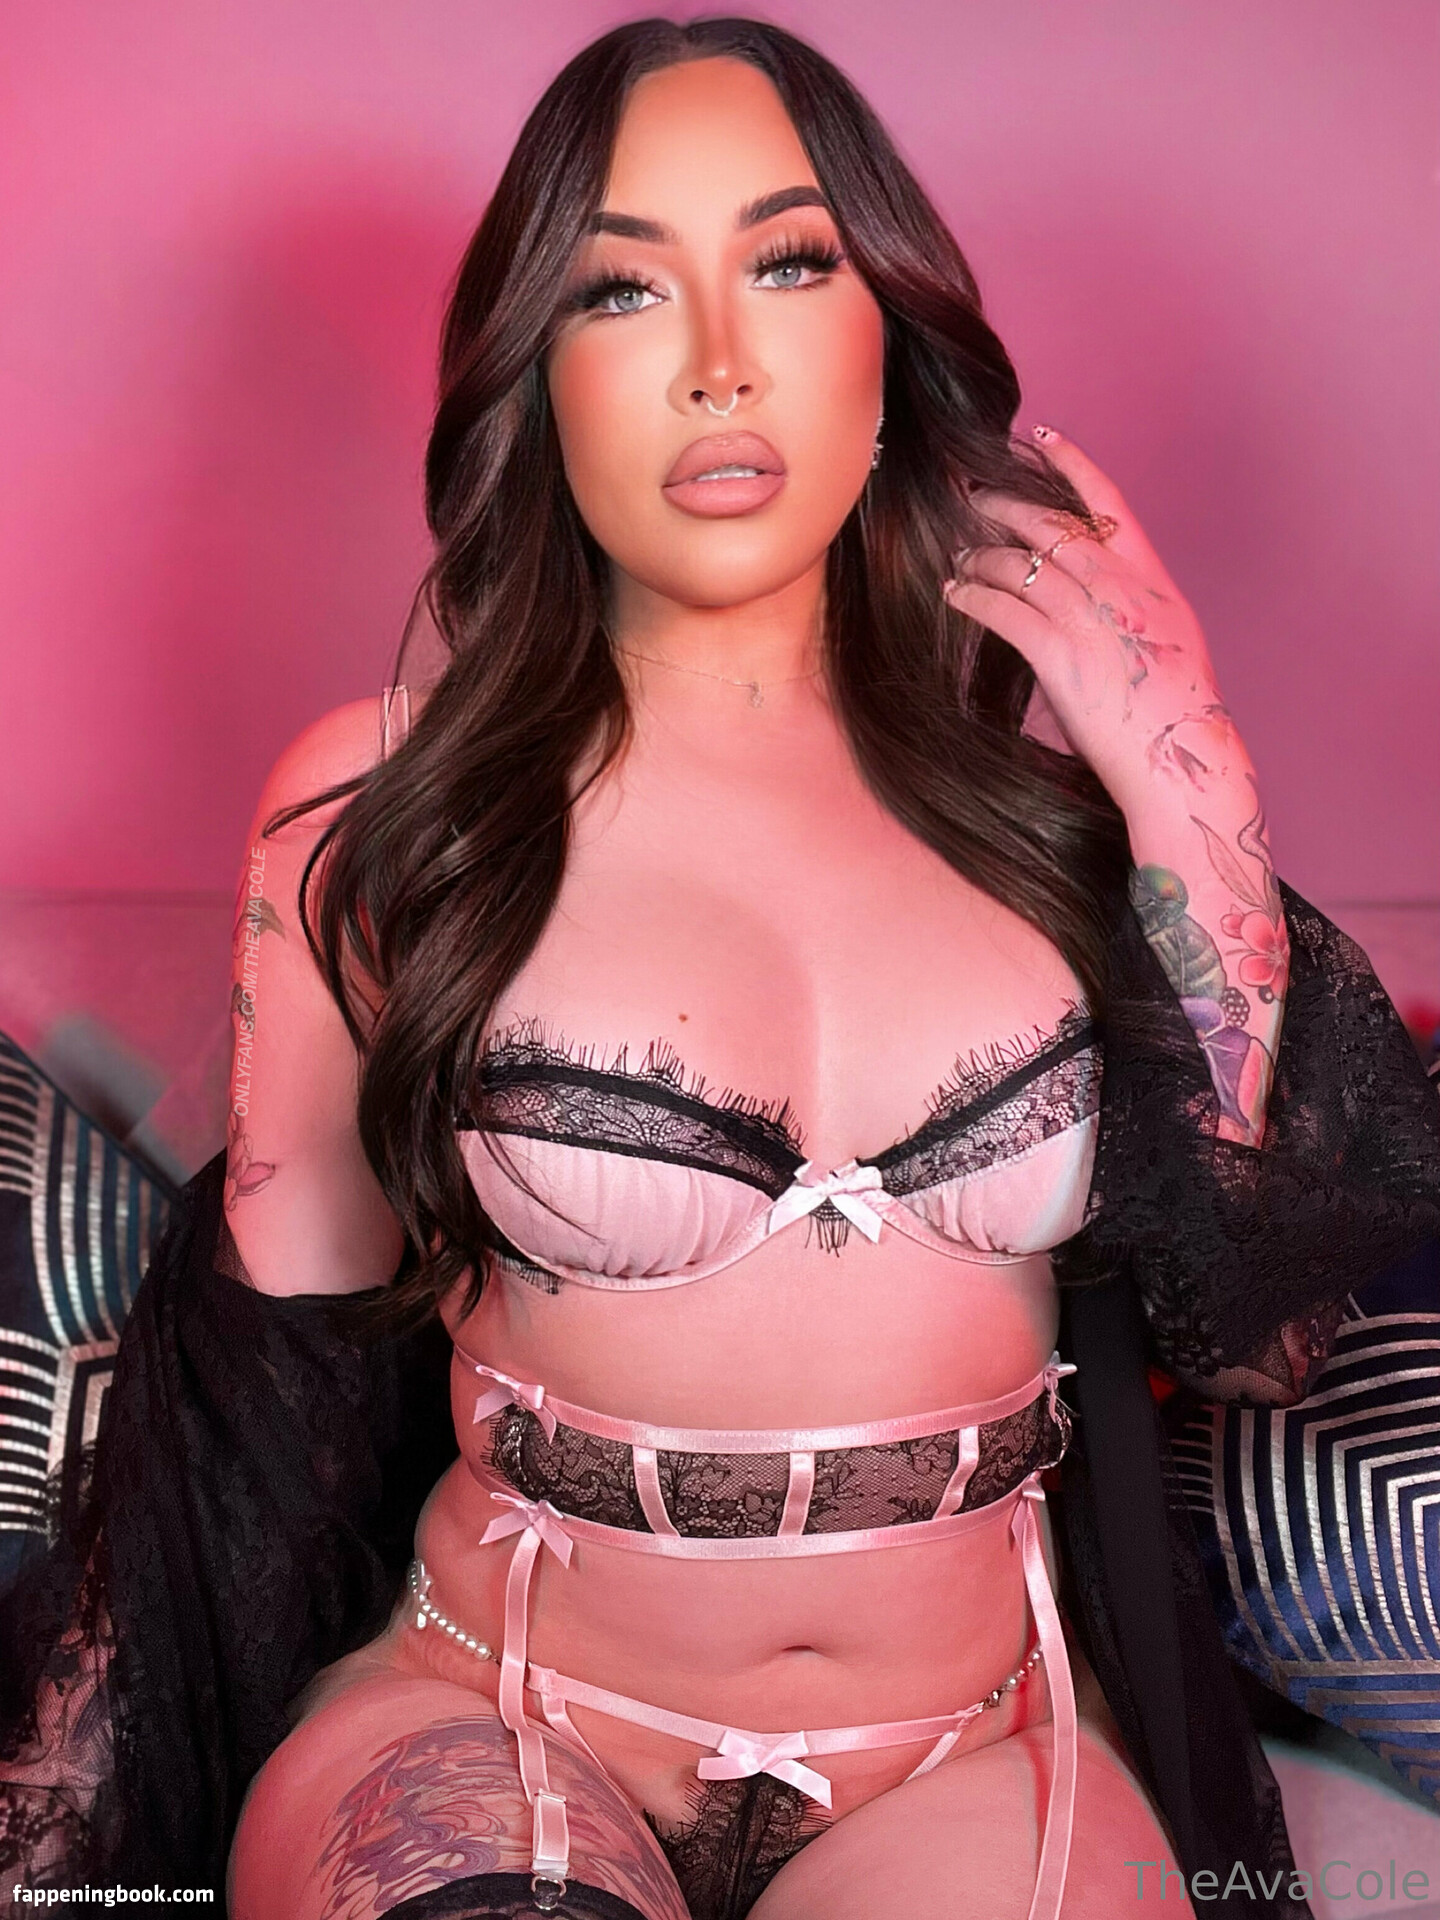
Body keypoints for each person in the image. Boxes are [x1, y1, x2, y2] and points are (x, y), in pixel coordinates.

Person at [4, 18, 1437, 1920]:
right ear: (540, 377)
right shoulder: (383, 817)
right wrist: (77, 1832)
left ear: (886, 341)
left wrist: (1192, 787)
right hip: (498, 1719)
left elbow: (1263, 1339)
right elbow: (263, 1407)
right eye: (621, 289)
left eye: (788, 263)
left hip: (970, 1759)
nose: (715, 360)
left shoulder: (1059, 846)